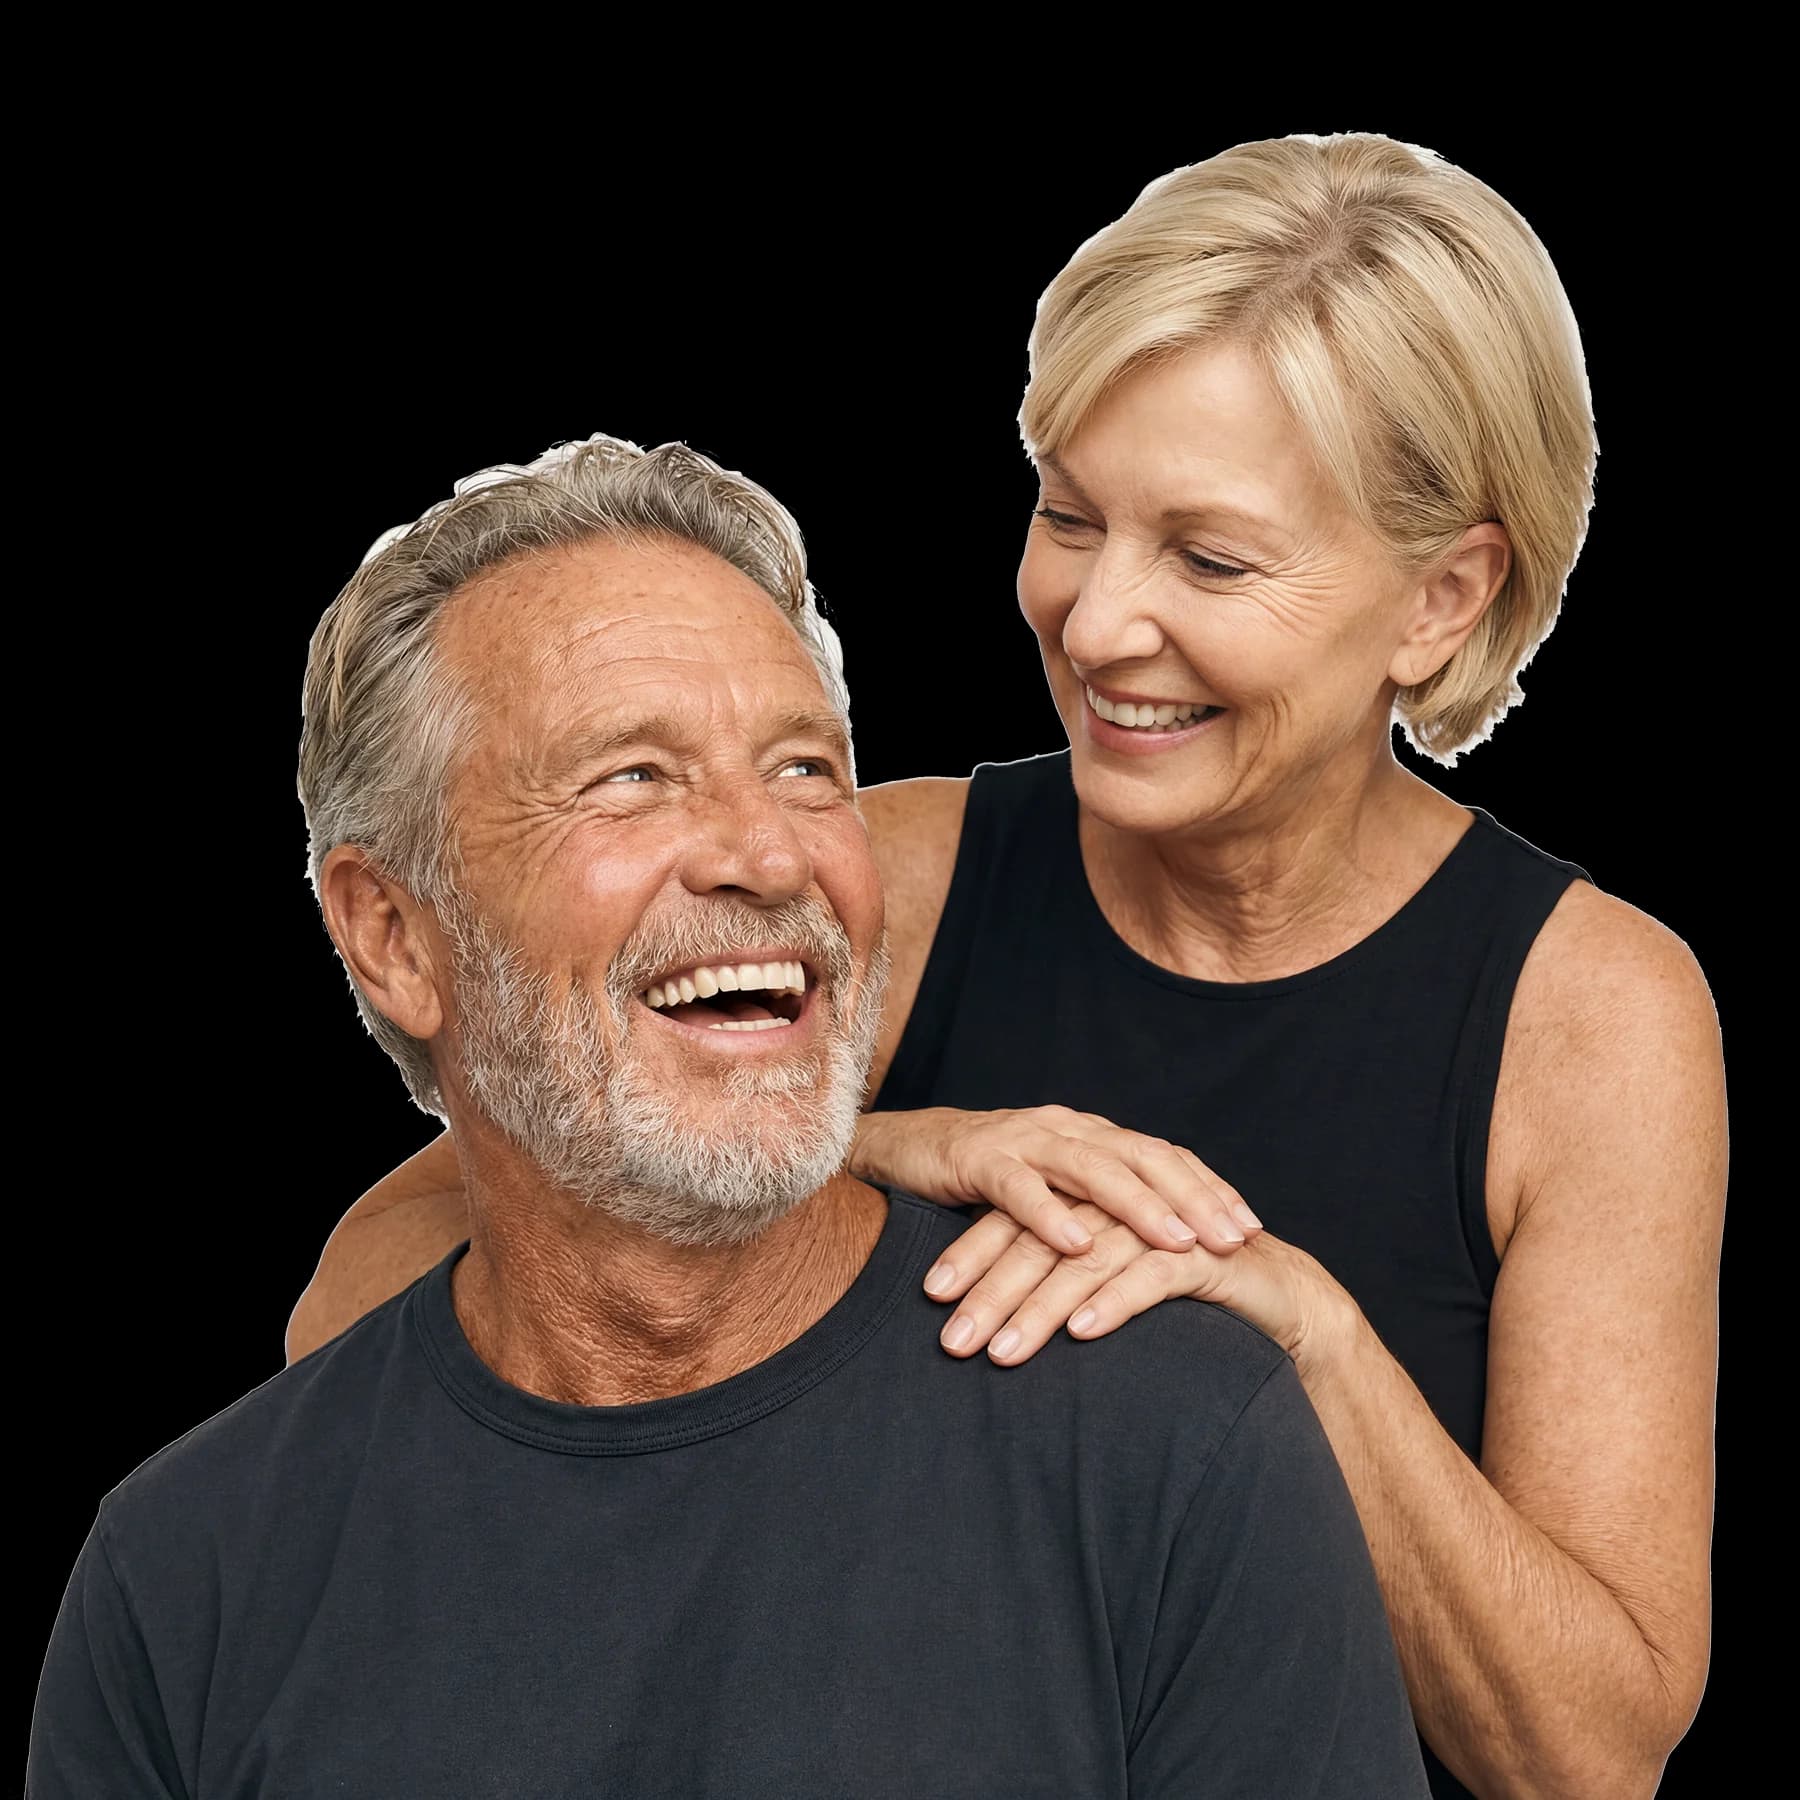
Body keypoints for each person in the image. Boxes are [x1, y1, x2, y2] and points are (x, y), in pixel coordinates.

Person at [290, 133, 1727, 1799]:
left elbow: (1589, 1754)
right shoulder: (879, 873)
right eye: (1070, 516)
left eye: (1208, 558)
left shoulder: (1596, 1016)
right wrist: (889, 1161)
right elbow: (352, 1317)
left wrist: (1296, 1332)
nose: (1098, 618)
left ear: (1442, 599)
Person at [29, 441, 1432, 1797]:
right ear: (394, 936)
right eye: (631, 775)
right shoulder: (182, 1578)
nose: (766, 852)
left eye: (808, 768)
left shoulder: (1177, 1452)